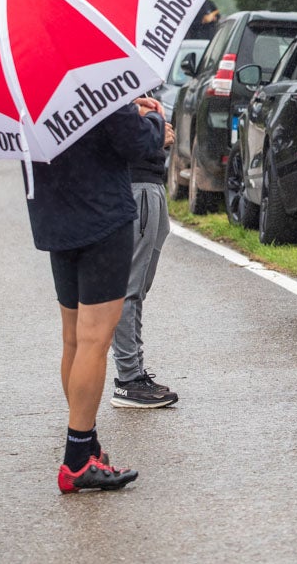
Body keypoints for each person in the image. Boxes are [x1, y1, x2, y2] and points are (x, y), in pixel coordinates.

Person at [25, 96, 167, 493]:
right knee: (94, 341)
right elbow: (136, 142)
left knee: (73, 339)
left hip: (53, 216)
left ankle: (85, 442)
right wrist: (153, 118)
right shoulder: (91, 82)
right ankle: (77, 459)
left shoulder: (27, 89)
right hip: (101, 216)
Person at [110, 100, 179, 409]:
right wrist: (153, 123)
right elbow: (127, 136)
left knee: (138, 287)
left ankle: (135, 372)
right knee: (130, 288)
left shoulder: (135, 88)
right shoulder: (115, 86)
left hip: (150, 185)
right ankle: (128, 379)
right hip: (137, 187)